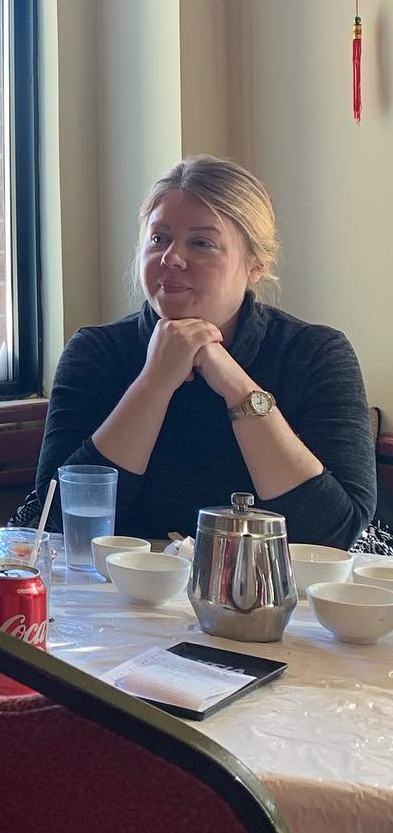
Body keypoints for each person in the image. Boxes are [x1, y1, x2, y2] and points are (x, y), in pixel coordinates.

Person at [33, 156, 376, 549]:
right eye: (159, 238)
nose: (171, 258)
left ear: (255, 265)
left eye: (201, 243)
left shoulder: (316, 354)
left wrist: (237, 387)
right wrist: (154, 382)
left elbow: (334, 532)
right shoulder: (95, 351)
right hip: (124, 581)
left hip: (272, 581)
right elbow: (58, 517)